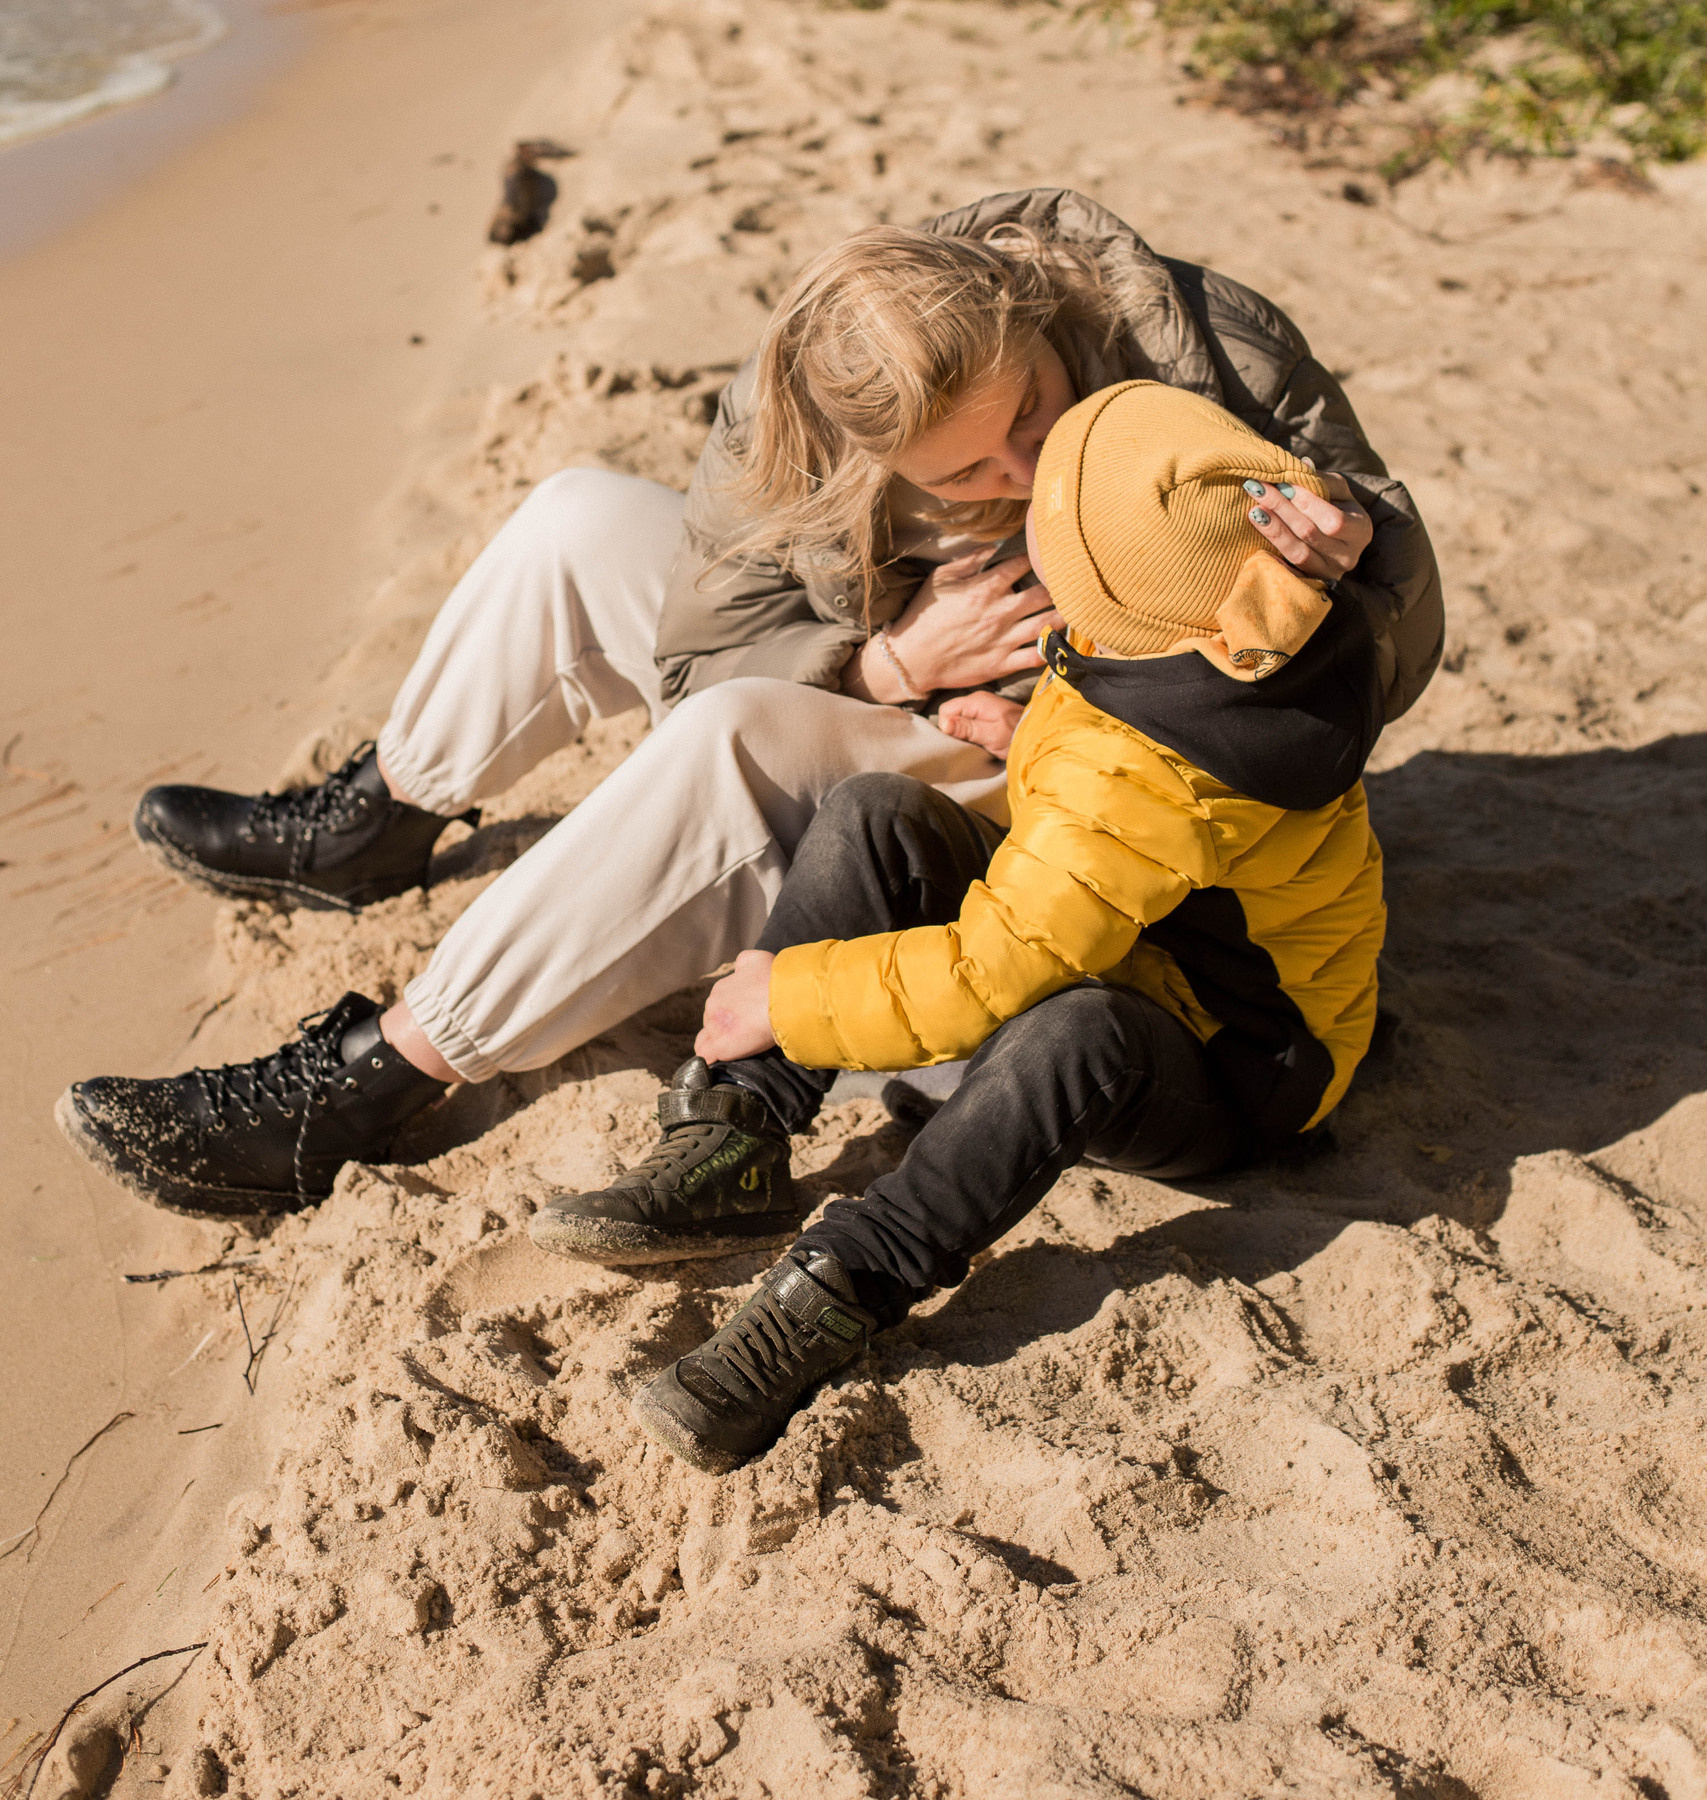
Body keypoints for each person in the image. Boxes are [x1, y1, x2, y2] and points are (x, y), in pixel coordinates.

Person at [56, 190, 1435, 1221]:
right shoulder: (799, 397)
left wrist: (1349, 565)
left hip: (1111, 774)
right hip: (918, 691)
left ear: (1023, 316)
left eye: (1033, 416)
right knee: (578, 515)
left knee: (731, 745)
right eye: (966, 473)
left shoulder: (1199, 348)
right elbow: (691, 650)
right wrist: (891, 665)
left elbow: (1382, 657)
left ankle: (377, 1076)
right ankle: (383, 817)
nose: (1018, 472)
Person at [582, 381, 1389, 1473]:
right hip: (1147, 925)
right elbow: (1123, 771)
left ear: (1114, 589)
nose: (1024, 534)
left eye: (1051, 536)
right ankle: (738, 1130)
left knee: (1073, 1036)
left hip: (1234, 1061)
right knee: (878, 818)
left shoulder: (1157, 777)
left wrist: (791, 997)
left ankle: (850, 1280)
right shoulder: (1219, 628)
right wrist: (1033, 739)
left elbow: (989, 973)